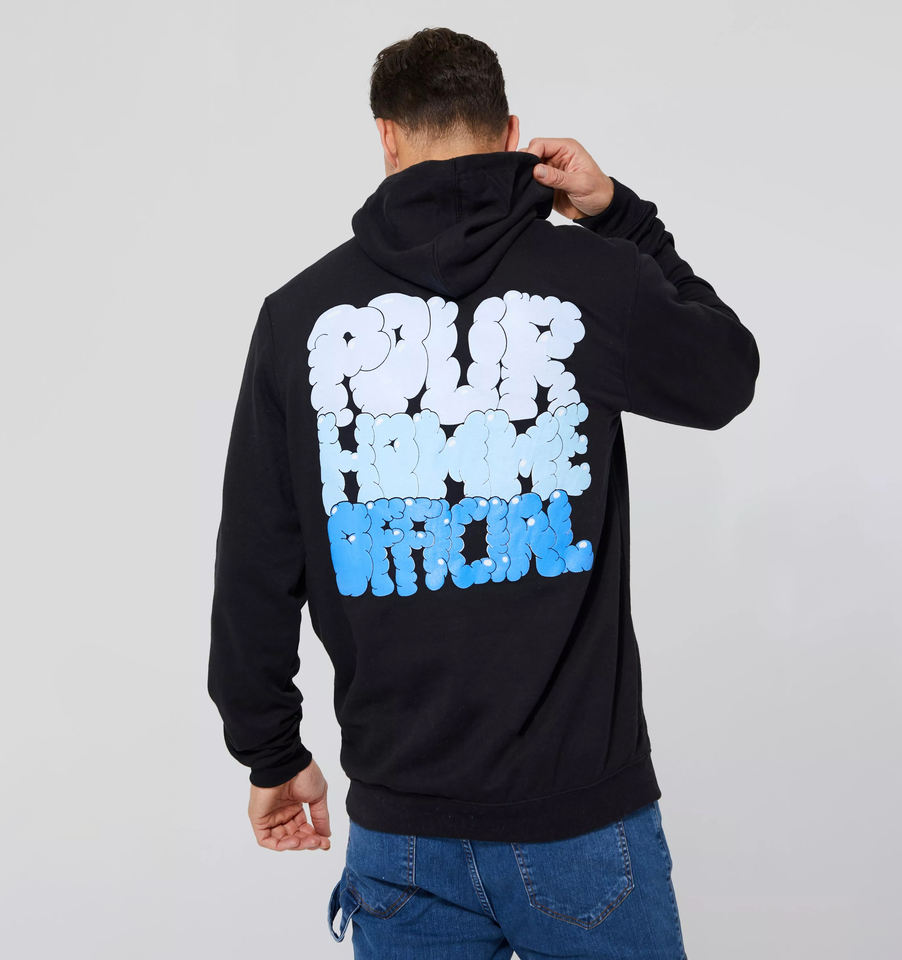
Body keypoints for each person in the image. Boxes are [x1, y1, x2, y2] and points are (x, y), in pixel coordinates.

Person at [208, 25, 759, 960]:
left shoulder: (299, 314)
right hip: (583, 821)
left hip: (402, 832)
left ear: (387, 137)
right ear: (509, 133)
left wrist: (273, 754)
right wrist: (619, 216)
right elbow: (725, 375)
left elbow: (258, 555)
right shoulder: (592, 280)